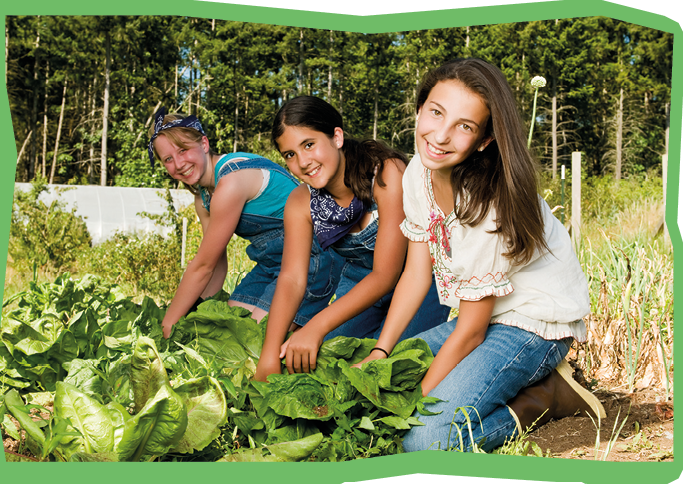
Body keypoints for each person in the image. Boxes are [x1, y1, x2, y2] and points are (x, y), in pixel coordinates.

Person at [354, 58, 606, 452]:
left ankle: (545, 398)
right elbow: (416, 275)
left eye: (464, 126)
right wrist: (380, 351)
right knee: (382, 380)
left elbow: (470, 331)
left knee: (422, 440)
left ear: (484, 140)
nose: (440, 135)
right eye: (435, 113)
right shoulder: (417, 172)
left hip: (531, 325)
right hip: (483, 316)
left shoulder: (487, 202)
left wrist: (415, 404)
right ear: (419, 109)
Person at [254, 96, 449, 382]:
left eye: (309, 145)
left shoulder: (385, 172)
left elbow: (387, 273)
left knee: (392, 370)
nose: (303, 162)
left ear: (336, 136)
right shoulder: (299, 202)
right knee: (325, 361)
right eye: (289, 155)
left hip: (418, 281)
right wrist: (269, 356)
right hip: (358, 281)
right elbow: (292, 278)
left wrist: (315, 326)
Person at [147, 108, 340, 339]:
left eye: (183, 150)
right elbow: (216, 264)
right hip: (272, 266)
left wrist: (168, 326)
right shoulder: (203, 198)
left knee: (253, 335)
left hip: (313, 259)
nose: (178, 164)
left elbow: (201, 267)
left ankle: (321, 326)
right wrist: (197, 313)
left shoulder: (231, 180)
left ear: (204, 144)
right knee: (228, 325)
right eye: (168, 159)